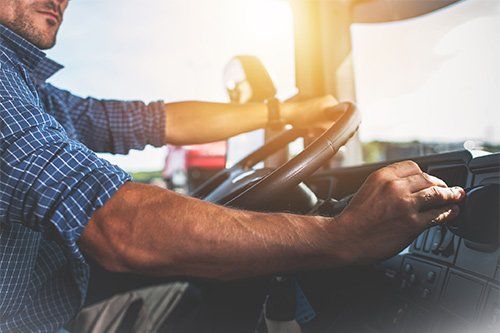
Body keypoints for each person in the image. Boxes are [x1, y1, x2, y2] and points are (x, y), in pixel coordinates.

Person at [0, 0, 465, 332]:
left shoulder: (33, 90)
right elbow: (114, 223)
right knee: (227, 283)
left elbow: (146, 120)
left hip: (54, 308)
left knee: (209, 289)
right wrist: (341, 235)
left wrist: (284, 113)